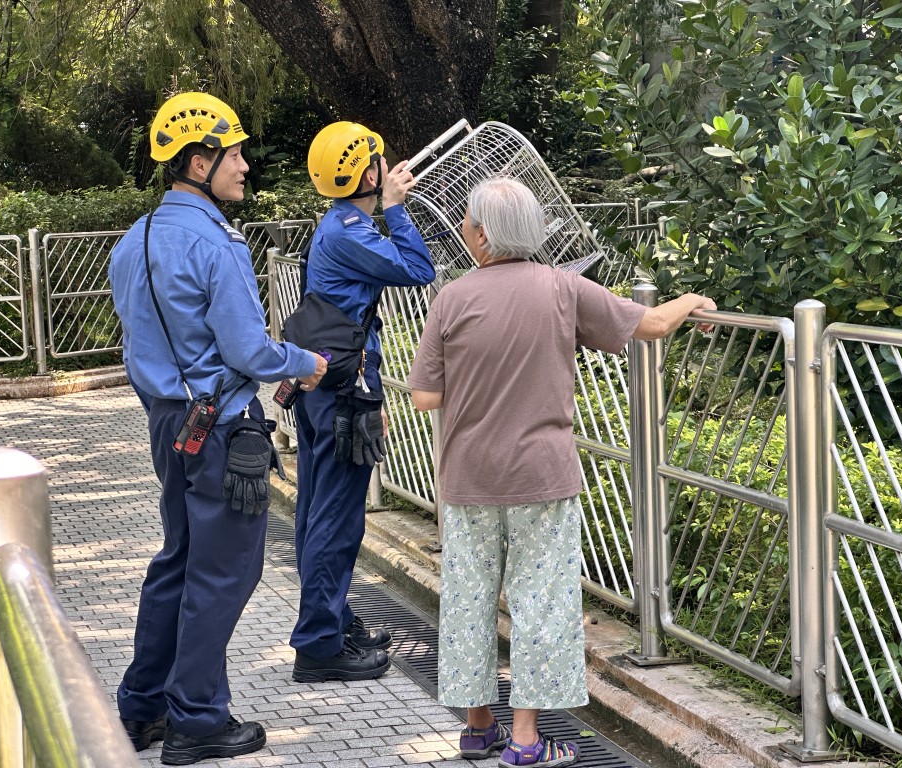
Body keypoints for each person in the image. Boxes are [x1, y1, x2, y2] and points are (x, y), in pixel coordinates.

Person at [408, 177, 717, 768]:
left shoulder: (451, 297)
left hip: (468, 478)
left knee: (470, 598)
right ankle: (526, 740)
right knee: (540, 601)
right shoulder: (564, 288)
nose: (467, 234)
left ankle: (477, 727)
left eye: (470, 225)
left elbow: (425, 396)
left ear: (482, 235)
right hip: (542, 478)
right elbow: (650, 326)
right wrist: (691, 302)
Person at [109, 91, 328, 766]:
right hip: (225, 431)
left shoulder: (132, 242)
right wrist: (306, 362)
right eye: (233, 153)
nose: (243, 166)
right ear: (198, 159)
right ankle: (197, 718)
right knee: (223, 573)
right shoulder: (218, 243)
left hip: (167, 426)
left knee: (177, 561)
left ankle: (141, 708)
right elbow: (248, 352)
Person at [290, 121, 435, 682]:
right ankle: (320, 644)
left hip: (327, 382)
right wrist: (397, 209)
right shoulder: (350, 230)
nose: (384, 169)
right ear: (364, 171)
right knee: (337, 518)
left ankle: (332, 621)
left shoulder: (338, 223)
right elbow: (418, 269)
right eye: (377, 162)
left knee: (316, 511)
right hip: (346, 387)